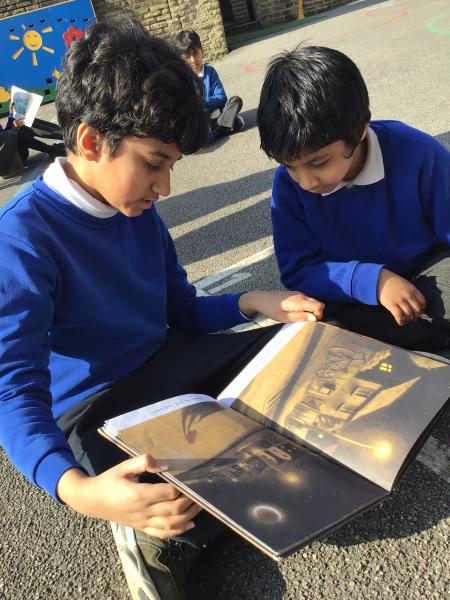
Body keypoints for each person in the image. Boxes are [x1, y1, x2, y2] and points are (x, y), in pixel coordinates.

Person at [0, 19, 324, 600]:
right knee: (169, 498)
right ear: (91, 141)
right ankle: (156, 539)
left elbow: (183, 309)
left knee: (299, 346)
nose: (165, 188)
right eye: (154, 164)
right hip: (98, 408)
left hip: (172, 363)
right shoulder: (20, 240)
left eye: (171, 166)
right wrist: (80, 492)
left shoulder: (138, 210)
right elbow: (12, 389)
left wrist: (255, 301)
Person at [257, 45, 450, 351]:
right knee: (317, 322)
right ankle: (429, 339)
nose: (305, 182)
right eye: (289, 166)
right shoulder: (287, 186)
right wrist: (373, 281)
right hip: (354, 293)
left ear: (359, 131)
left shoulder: (416, 152)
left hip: (426, 272)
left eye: (318, 163)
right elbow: (299, 271)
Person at [174, 29, 245, 145]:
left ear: (202, 53)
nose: (193, 60)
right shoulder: (183, 79)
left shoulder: (210, 72)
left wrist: (201, 103)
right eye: (187, 57)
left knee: (236, 101)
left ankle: (217, 130)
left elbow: (222, 97)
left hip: (217, 114)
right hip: (201, 120)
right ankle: (224, 127)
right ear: (181, 60)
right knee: (195, 128)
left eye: (195, 54)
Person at [0, 101, 65, 176]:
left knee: (28, 122)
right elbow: (5, 142)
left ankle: (64, 133)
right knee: (21, 134)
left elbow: (5, 134)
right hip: (9, 164)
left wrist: (11, 113)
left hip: (12, 153)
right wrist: (14, 127)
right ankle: (52, 150)